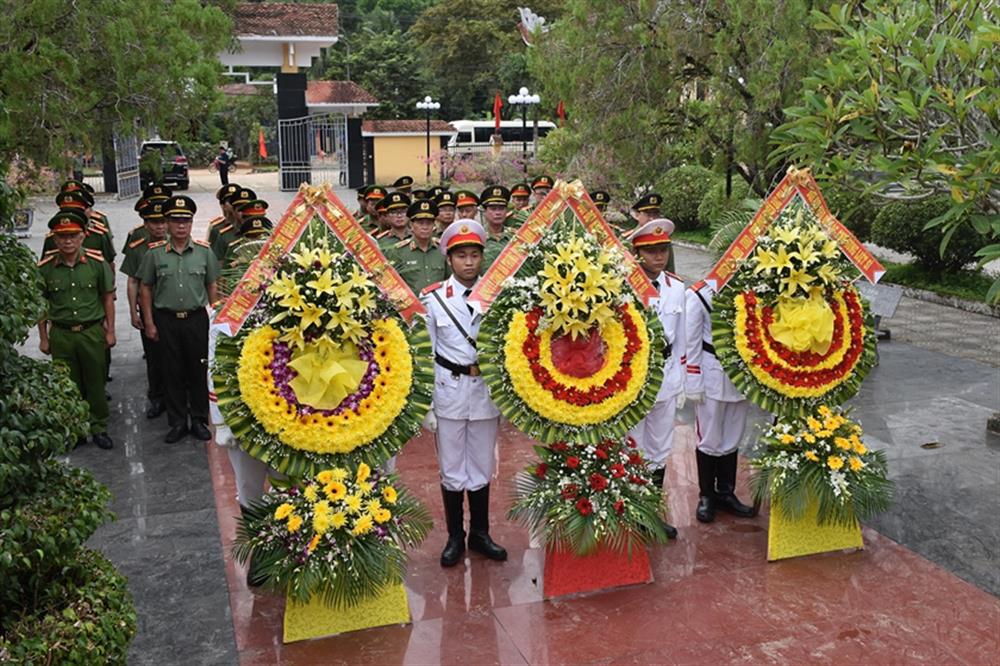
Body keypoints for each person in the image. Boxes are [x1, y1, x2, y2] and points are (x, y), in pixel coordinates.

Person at [421, 221, 507, 567]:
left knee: (483, 465)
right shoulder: (434, 299)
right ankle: (455, 536)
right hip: (449, 391)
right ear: (449, 259)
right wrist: (426, 404)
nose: (469, 262)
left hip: (485, 390)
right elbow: (425, 352)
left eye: (474, 255)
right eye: (461, 256)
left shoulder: (498, 295)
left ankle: (481, 534)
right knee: (453, 468)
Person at [138, 196, 220, 444]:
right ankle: (176, 422)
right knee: (171, 371)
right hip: (167, 320)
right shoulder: (154, 255)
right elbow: (145, 289)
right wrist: (149, 323)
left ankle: (197, 418)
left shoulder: (204, 252)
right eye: (175, 221)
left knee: (198, 369)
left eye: (185, 220)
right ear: (168, 223)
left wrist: (215, 318)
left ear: (192, 222)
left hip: (196, 319)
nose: (181, 226)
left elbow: (212, 285)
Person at [37, 210, 116, 450]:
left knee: (95, 381)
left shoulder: (96, 263)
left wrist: (110, 331)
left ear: (82, 236)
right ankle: (76, 429)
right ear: (54, 239)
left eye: (72, 236)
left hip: (91, 332)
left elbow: (107, 298)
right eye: (62, 237)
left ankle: (99, 427)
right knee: (67, 385)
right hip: (61, 334)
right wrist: (43, 338)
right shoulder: (45, 268)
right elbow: (41, 304)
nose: (67, 241)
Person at [628, 220, 685, 539]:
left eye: (663, 250)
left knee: (660, 448)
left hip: (665, 377)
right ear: (637, 253)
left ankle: (651, 512)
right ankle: (630, 510)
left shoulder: (677, 287)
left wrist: (684, 381)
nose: (658, 257)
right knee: (632, 446)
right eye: (651, 251)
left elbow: (683, 340)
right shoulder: (625, 286)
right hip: (634, 380)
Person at [685, 278, 755, 523]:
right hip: (711, 372)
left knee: (733, 435)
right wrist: (693, 379)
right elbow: (691, 340)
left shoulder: (752, 289)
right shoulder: (699, 294)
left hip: (742, 374)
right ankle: (707, 496)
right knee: (709, 436)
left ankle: (726, 493)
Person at [120, 200, 170, 419]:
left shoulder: (177, 243)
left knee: (177, 356)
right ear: (145, 224)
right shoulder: (138, 247)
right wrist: (133, 311)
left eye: (162, 222)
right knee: (154, 357)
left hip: (174, 309)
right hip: (151, 311)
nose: (159, 227)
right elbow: (132, 281)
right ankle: (157, 397)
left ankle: (179, 397)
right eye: (154, 222)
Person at [386, 199, 447, 294]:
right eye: (420, 223)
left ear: (434, 225)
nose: (425, 227)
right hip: (413, 306)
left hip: (439, 305)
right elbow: (391, 284)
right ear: (411, 225)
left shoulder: (443, 249)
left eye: (429, 223)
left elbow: (450, 280)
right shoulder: (398, 251)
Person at [211, 189, 258, 259]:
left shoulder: (266, 232)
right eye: (240, 209)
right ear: (234, 211)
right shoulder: (225, 235)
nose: (244, 213)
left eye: (248, 209)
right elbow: (217, 264)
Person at [480, 185, 512, 271]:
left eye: (501, 208)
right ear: (485, 211)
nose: (498, 213)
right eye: (493, 209)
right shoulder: (478, 237)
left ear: (507, 211)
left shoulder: (515, 237)